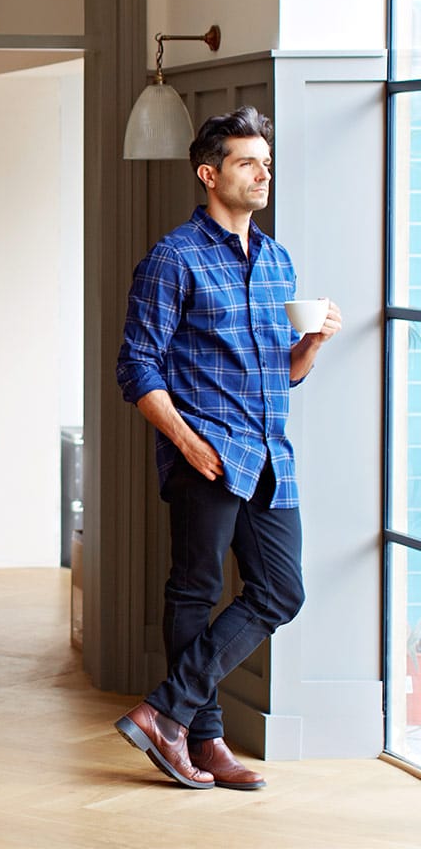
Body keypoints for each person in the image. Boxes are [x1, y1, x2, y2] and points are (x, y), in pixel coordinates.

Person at [114, 106, 341, 790]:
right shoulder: (173, 258)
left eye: (266, 162)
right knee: (196, 590)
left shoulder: (277, 261)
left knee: (280, 591)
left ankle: (166, 714)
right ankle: (204, 739)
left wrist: (313, 343)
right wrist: (186, 442)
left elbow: (283, 373)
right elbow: (136, 367)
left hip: (269, 455)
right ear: (210, 175)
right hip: (206, 453)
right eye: (248, 163)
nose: (263, 174)